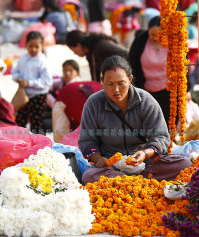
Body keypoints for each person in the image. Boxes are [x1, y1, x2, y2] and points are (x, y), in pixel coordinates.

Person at [79, 56, 191, 184]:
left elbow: (160, 137)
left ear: (130, 79)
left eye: (121, 83)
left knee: (184, 164)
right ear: (102, 80)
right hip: (111, 166)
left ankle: (129, 182)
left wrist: (144, 153)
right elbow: (87, 140)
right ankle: (138, 182)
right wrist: (98, 159)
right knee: (89, 175)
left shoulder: (145, 100)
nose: (116, 90)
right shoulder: (94, 103)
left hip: (144, 163)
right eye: (110, 84)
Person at [128, 16, 173, 124]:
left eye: (159, 35)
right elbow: (131, 64)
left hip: (168, 92)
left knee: (167, 125)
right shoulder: (140, 41)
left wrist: (186, 90)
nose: (156, 38)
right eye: (152, 34)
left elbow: (183, 66)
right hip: (145, 90)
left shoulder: (174, 43)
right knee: (148, 124)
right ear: (147, 30)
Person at [12, 31, 53, 133]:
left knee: (36, 123)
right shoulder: (23, 58)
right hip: (24, 95)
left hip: (38, 97)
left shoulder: (42, 61)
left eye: (36, 46)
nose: (33, 49)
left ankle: (36, 144)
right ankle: (19, 142)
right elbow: (15, 71)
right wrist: (18, 78)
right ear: (26, 45)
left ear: (42, 46)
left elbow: (47, 81)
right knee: (20, 120)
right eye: (30, 46)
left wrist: (29, 83)